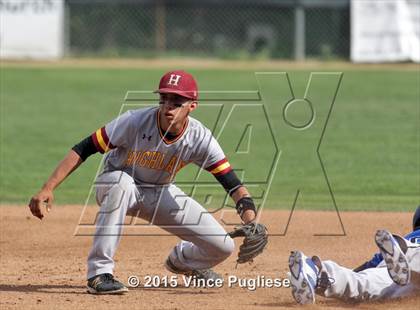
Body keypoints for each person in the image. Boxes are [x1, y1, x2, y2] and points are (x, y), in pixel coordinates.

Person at [28, 70, 264, 294]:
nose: (168, 106)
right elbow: (85, 147)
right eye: (164, 99)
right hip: (115, 184)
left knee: (223, 246)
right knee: (122, 184)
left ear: (192, 106)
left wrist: (250, 220)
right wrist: (48, 187)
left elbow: (231, 183)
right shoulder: (135, 121)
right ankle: (99, 274)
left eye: (176, 101)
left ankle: (182, 262)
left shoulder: (200, 138)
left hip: (159, 192)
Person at [288, 206, 420, 304]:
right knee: (411, 263)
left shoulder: (409, 237)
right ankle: (408, 255)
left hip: (396, 269)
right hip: (408, 263)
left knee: (364, 284)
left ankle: (315, 274)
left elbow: (372, 264)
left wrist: (353, 274)